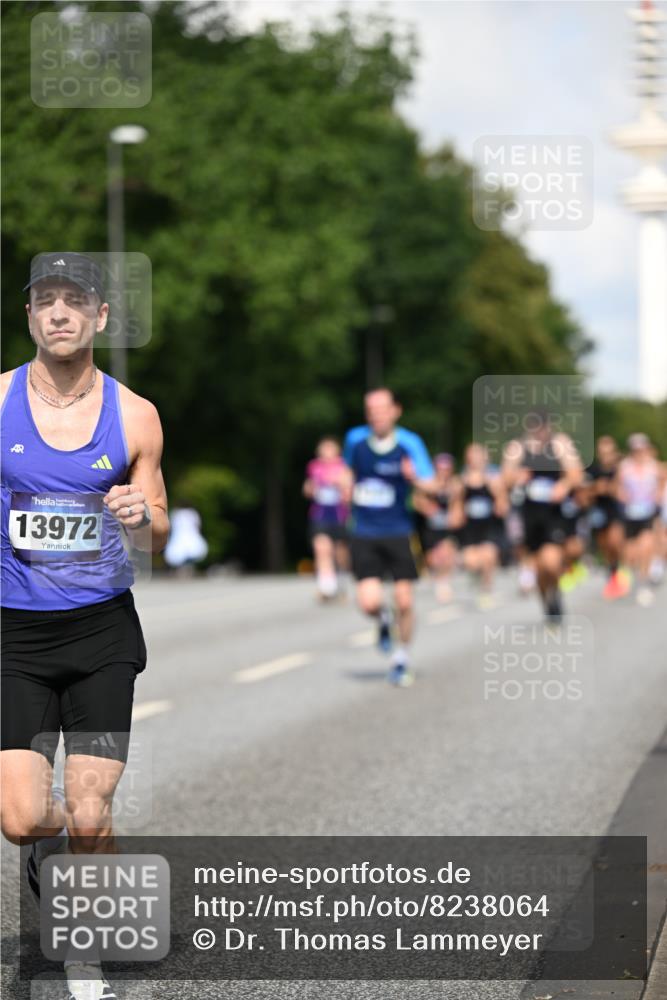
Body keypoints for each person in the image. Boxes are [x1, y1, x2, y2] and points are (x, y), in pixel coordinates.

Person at [0, 253, 169, 1000]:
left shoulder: (134, 414)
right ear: (31, 316)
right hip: (14, 637)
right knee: (23, 818)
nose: (60, 313)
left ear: (100, 317)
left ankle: (83, 950)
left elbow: (159, 526)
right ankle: (57, 853)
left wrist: (143, 517)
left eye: (75, 301)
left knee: (93, 804)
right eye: (46, 301)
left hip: (101, 634)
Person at [342, 388, 435, 687]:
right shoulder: (355, 440)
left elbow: (432, 485)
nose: (376, 415)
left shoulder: (409, 443)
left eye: (382, 409)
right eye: (371, 409)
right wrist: (344, 488)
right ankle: (383, 620)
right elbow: (347, 474)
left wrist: (415, 479)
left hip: (399, 531)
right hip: (365, 531)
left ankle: (401, 658)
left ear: (396, 410)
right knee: (369, 602)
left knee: (404, 600)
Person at [503, 411, 583, 623]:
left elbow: (576, 473)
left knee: (551, 561)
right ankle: (547, 601)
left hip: (553, 514)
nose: (539, 431)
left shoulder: (560, 444)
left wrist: (563, 485)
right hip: (529, 515)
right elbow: (505, 478)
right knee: (538, 567)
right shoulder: (517, 447)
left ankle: (555, 590)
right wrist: (517, 477)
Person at [455, 443, 508, 609]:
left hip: (490, 527)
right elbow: (455, 509)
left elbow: (503, 507)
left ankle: (486, 591)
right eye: (472, 456)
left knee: (488, 557)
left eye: (478, 456)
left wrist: (496, 493)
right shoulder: (461, 482)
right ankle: (476, 577)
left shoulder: (494, 479)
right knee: (471, 562)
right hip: (470, 529)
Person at [302, 437, 350, 601]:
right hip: (320, 514)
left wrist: (337, 482)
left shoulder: (343, 466)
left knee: (339, 553)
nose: (326, 453)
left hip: (339, 514)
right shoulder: (314, 466)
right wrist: (310, 489)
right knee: (322, 549)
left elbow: (349, 487)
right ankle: (326, 587)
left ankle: (340, 582)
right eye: (324, 449)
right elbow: (308, 487)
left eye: (330, 449)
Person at [617, 432, 661, 606]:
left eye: (641, 449)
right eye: (636, 450)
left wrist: (657, 496)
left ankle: (644, 584)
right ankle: (634, 577)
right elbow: (617, 488)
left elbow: (661, 483)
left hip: (648, 512)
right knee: (631, 553)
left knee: (647, 546)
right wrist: (622, 495)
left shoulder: (654, 466)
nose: (639, 452)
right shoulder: (624, 467)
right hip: (630, 513)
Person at [413, 453, 461, 603]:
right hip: (429, 528)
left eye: (447, 468)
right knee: (432, 559)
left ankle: (443, 582)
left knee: (446, 553)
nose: (443, 471)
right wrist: (427, 507)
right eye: (441, 468)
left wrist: (454, 514)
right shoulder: (428, 483)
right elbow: (417, 500)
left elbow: (458, 505)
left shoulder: (455, 485)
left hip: (445, 528)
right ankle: (437, 578)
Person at [586, 435, 629, 599]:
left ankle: (619, 569)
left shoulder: (619, 469)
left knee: (615, 540)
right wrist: (596, 489)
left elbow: (621, 490)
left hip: (614, 510)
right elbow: (585, 491)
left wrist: (610, 487)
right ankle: (611, 571)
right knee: (604, 544)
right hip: (598, 511)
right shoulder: (593, 470)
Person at [164, 503, 208, 576]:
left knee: (180, 554)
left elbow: (171, 526)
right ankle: (187, 569)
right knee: (191, 552)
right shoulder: (192, 513)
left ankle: (184, 569)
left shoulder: (175, 513)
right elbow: (198, 525)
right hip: (189, 535)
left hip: (179, 536)